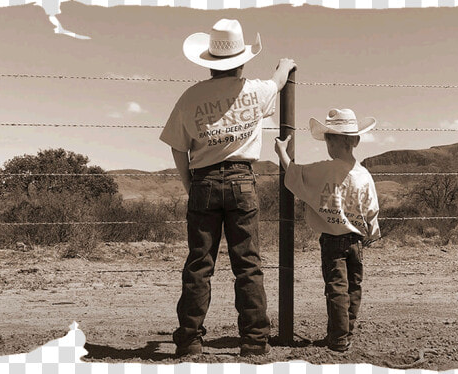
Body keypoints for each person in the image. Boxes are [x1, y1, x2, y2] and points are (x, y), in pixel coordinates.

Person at [159, 18, 296, 357]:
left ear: (208, 61)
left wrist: (191, 184)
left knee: (199, 265)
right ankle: (254, 341)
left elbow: (177, 146)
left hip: (204, 180)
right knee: (247, 264)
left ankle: (190, 340)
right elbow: (278, 82)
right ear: (242, 59)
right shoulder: (256, 90)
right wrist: (285, 66)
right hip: (242, 181)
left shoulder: (190, 97)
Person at [274, 108, 381, 352]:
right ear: (355, 141)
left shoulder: (323, 170)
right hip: (356, 241)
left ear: (331, 142)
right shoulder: (364, 175)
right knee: (354, 288)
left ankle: (338, 339)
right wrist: (372, 234)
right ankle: (346, 333)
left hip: (332, 241)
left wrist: (282, 153)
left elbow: (295, 176)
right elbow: (372, 208)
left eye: (327, 139)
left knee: (336, 290)